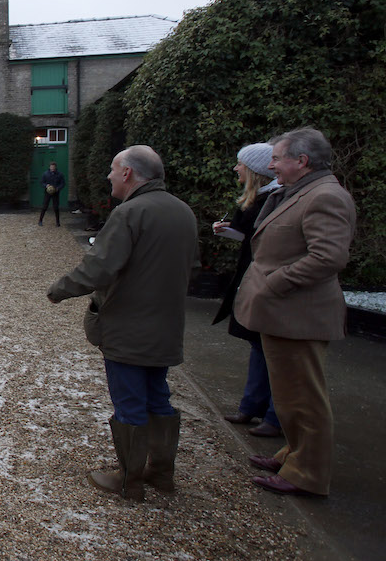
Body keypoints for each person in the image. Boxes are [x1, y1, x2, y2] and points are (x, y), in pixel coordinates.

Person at [47, 145, 199, 501]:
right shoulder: (182, 211)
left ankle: (129, 479)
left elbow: (99, 267)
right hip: (167, 321)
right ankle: (161, 473)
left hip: (130, 323)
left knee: (129, 399)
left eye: (114, 170)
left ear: (129, 173)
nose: (109, 176)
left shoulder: (130, 213)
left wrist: (59, 289)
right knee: (158, 395)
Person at [235, 127, 355, 498]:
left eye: (277, 159)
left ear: (301, 161)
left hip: (299, 314)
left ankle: (307, 473)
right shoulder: (300, 191)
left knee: (304, 397)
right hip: (284, 314)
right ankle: (293, 454)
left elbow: (329, 257)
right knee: (289, 395)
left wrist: (275, 283)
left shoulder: (326, 197)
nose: (271, 166)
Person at [211, 143, 282, 438]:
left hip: (269, 283)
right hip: (252, 277)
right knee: (258, 345)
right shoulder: (258, 199)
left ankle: (275, 417)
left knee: (275, 351)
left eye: (241, 164)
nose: (236, 169)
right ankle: (252, 405)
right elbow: (252, 237)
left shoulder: (277, 199)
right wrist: (231, 231)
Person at [39, 161, 66, 227]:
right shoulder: (45, 174)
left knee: (56, 207)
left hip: (56, 193)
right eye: (51, 166)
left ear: (55, 167)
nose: (52, 168)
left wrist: (58, 188)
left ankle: (57, 222)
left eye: (53, 166)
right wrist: (46, 185)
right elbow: (42, 182)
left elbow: (63, 183)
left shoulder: (60, 174)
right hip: (47, 193)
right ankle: (40, 221)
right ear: (49, 167)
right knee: (44, 206)